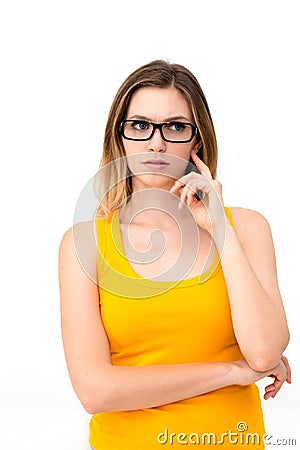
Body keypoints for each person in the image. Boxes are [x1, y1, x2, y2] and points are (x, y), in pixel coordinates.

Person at [58, 60, 291, 449]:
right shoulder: (85, 243)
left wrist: (220, 227)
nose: (156, 144)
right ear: (120, 138)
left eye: (176, 127)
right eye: (139, 125)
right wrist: (232, 372)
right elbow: (95, 391)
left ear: (196, 140)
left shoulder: (247, 229)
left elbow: (266, 350)